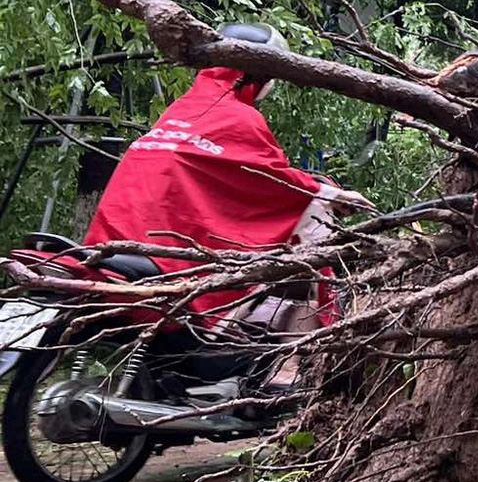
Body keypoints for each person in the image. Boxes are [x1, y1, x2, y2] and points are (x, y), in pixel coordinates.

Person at [85, 23, 371, 334]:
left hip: (116, 243)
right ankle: (306, 355)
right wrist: (327, 195)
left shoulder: (182, 109)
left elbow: (229, 174)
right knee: (308, 253)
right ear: (259, 74)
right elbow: (273, 181)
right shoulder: (240, 117)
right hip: (170, 263)